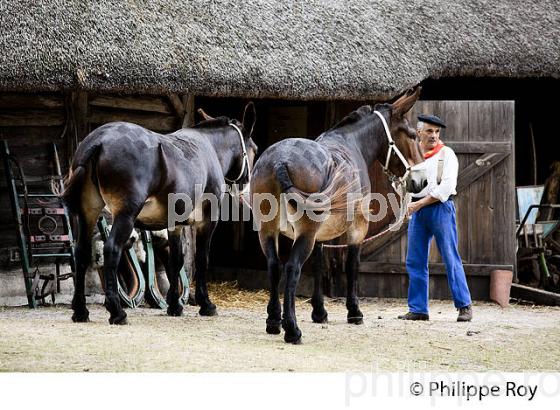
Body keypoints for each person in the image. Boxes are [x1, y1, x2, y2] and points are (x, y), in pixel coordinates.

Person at [398, 114, 473, 322]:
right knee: (415, 260)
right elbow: (415, 189)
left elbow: (446, 187)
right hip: (419, 212)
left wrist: (419, 204)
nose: (434, 135)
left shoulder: (446, 155)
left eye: (437, 132)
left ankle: (464, 306)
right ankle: (418, 309)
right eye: (429, 131)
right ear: (419, 132)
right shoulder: (417, 157)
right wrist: (409, 206)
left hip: (441, 208)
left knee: (450, 256)